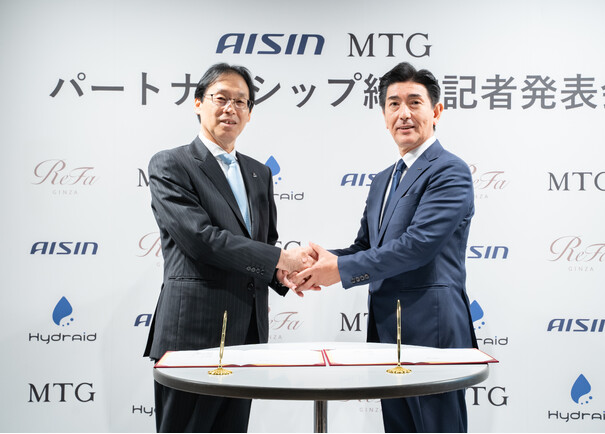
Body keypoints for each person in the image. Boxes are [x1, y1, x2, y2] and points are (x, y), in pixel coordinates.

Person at [294, 62, 478, 433]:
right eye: (394, 104)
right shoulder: (382, 180)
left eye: (414, 102)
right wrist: (318, 263)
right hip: (387, 334)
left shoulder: (449, 170)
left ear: (436, 111)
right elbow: (365, 246)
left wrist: (339, 271)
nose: (403, 113)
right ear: (384, 115)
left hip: (432, 331)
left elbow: (418, 246)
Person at [143, 63, 314, 433]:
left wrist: (284, 273)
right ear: (198, 103)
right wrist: (279, 258)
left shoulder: (259, 172)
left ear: (249, 113)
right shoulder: (171, 164)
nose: (230, 109)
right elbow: (200, 239)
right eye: (220, 98)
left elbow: (263, 243)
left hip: (245, 337)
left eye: (241, 101)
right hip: (192, 337)